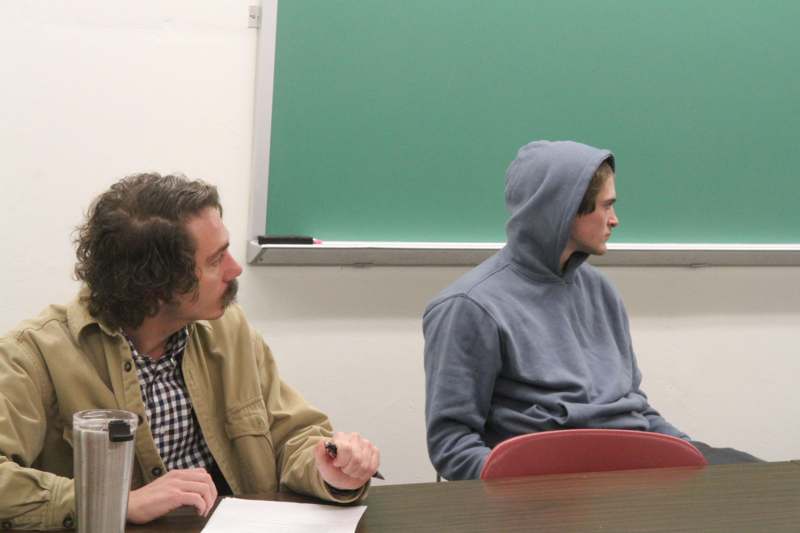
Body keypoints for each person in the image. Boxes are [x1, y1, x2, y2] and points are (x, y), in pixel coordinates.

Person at [0, 174, 380, 530]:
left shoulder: (230, 330)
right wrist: (114, 501)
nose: (235, 270)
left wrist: (327, 471)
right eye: (215, 260)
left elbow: (292, 434)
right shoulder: (34, 355)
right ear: (156, 284)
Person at [423, 140, 760, 480]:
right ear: (564, 210)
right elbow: (453, 445)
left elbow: (635, 407)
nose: (615, 220)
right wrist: (527, 493)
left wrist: (689, 457)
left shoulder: (601, 291)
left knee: (755, 483)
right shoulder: (469, 307)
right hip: (549, 486)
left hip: (629, 469)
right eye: (606, 206)